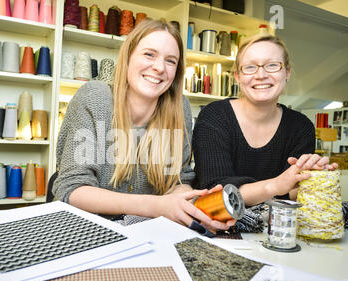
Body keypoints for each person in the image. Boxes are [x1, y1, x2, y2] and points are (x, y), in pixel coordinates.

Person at [52, 19, 234, 232]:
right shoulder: (94, 97)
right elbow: (72, 189)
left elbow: (179, 178)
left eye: (171, 61)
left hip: (146, 230)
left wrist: (186, 201)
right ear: (128, 56)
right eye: (149, 54)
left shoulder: (179, 107)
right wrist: (158, 206)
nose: (159, 68)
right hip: (87, 230)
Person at [192, 34, 338, 206]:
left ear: (287, 72)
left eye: (272, 65)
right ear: (238, 76)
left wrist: (315, 180)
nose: (261, 75)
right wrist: (276, 186)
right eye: (250, 67)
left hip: (275, 229)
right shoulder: (214, 116)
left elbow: (290, 194)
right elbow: (215, 194)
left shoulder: (301, 126)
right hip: (215, 228)